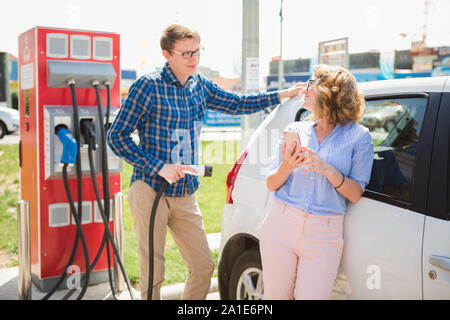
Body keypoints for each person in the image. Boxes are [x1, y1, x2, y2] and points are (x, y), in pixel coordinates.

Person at [107, 24, 303, 300]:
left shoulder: (200, 85)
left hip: (185, 190)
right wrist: (159, 166)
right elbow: (116, 137)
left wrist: (281, 95)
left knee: (203, 266)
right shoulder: (148, 86)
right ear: (167, 54)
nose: (194, 59)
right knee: (154, 270)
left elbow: (237, 104)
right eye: (186, 53)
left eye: (197, 51)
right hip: (150, 188)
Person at [260, 64, 374, 300]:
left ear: (329, 93)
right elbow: (271, 184)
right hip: (281, 224)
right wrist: (287, 166)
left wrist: (328, 170)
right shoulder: (295, 129)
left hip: (324, 234)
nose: (306, 89)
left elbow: (355, 193)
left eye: (312, 83)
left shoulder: (360, 137)